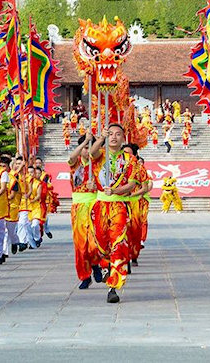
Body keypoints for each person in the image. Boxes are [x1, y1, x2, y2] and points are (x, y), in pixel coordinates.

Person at [90, 122, 139, 304]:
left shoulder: (130, 160)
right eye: (110, 134)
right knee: (101, 242)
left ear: (123, 138)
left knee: (118, 242)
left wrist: (115, 191)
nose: (114, 137)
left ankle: (114, 286)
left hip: (118, 205)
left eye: (118, 134)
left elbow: (132, 184)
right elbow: (91, 153)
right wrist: (100, 139)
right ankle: (105, 266)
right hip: (100, 205)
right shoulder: (101, 155)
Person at [68, 133, 102, 289]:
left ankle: (95, 263)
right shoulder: (75, 163)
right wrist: (86, 141)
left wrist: (96, 186)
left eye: (90, 148)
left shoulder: (99, 164)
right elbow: (71, 157)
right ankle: (85, 276)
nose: (87, 151)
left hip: (95, 205)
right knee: (81, 244)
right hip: (79, 207)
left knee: (94, 242)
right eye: (85, 148)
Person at [4, 156, 23, 255]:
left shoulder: (13, 179)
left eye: (4, 166)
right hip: (0, 208)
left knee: (11, 231)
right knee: (4, 231)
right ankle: (3, 253)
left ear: (8, 167)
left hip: (12, 208)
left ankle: (15, 241)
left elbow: (12, 196)